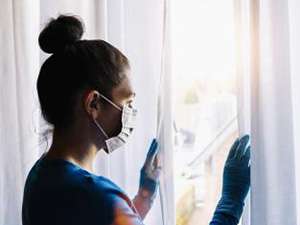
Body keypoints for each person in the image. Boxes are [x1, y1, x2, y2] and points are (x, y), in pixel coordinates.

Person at [22, 15, 250, 225]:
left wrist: (144, 196)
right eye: (127, 101)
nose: (131, 111)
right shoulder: (94, 195)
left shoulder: (41, 175)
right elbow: (97, 209)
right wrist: (229, 205)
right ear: (93, 104)